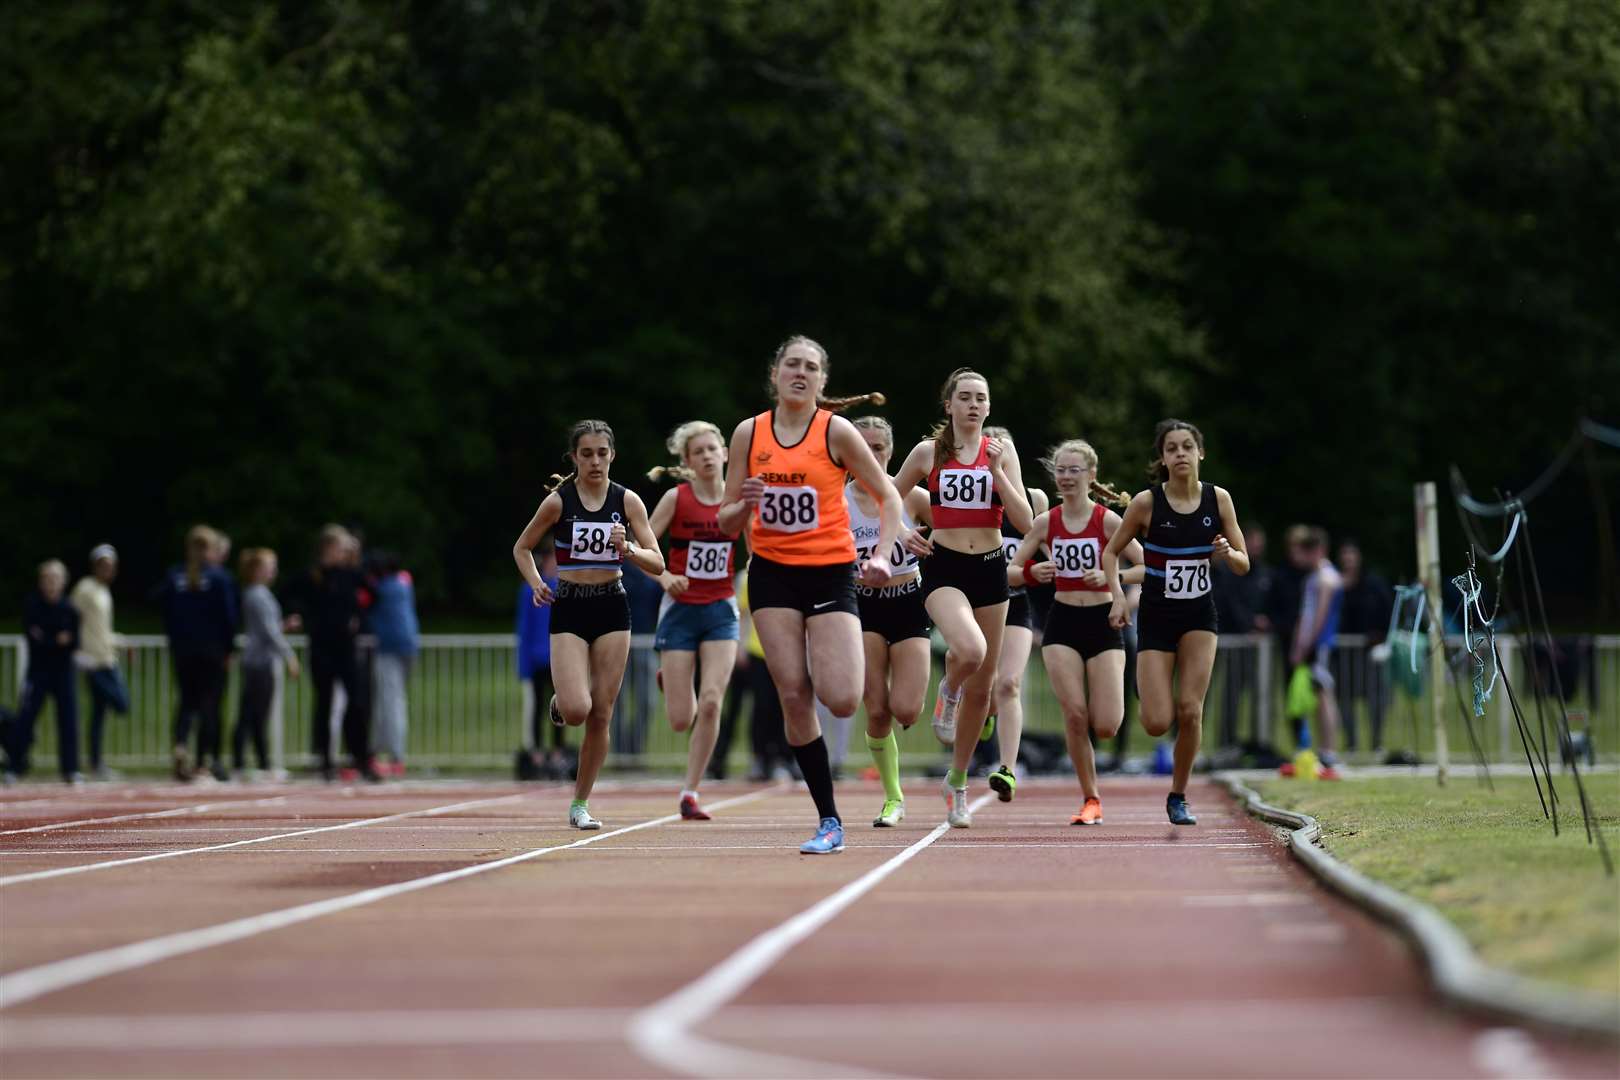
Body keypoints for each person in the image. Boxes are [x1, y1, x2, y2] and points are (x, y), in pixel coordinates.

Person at [717, 336, 898, 854]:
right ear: (775, 374)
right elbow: (728, 521)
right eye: (792, 364)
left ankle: (832, 661)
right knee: (792, 693)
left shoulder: (836, 431)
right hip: (771, 574)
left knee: (841, 699)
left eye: (811, 367)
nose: (800, 373)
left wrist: (882, 553)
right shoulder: (749, 433)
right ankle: (829, 819)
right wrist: (743, 503)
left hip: (830, 572)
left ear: (823, 381)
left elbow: (886, 495)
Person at [891, 368, 1033, 828]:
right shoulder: (928, 452)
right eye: (965, 397)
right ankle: (947, 688)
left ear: (989, 408)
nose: (973, 405)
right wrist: (904, 533)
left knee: (985, 688)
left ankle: (956, 782)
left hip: (991, 569)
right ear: (948, 405)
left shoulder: (1002, 452)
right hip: (945, 566)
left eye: (981, 398)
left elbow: (1026, 521)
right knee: (970, 651)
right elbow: (886, 498)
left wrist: (996, 472)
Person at [513, 419, 665, 830]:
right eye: (586, 454)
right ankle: (563, 700)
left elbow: (658, 562)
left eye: (602, 453)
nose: (595, 461)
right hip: (570, 607)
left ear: (612, 455)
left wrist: (628, 547)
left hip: (612, 606)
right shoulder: (559, 502)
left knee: (601, 713)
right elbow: (522, 547)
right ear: (574, 458)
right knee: (577, 709)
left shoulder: (628, 501)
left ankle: (580, 803)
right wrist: (536, 584)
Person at [1104, 419, 1249, 825]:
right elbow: (1111, 554)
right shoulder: (1147, 504)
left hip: (1200, 616)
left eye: (1188, 446)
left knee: (1191, 710)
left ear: (1200, 453)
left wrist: (1226, 552)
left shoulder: (1218, 500)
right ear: (1163, 458)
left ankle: (1179, 794)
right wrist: (1118, 598)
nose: (1181, 453)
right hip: (1156, 616)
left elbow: (1243, 563)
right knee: (1155, 722)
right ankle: (1147, 688)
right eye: (1172, 448)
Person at [1011, 442, 1143, 824]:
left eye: (1074, 470)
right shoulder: (1045, 522)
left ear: (1091, 476)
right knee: (1074, 714)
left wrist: (1112, 578)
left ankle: (1094, 788)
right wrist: (1032, 573)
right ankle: (1091, 798)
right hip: (1062, 623)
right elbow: (1010, 571)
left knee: (1105, 724)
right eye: (1061, 471)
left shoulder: (1107, 521)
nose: (1066, 477)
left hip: (1103, 623)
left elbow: (1148, 566)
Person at [646, 420, 743, 820]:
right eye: (697, 452)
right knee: (679, 718)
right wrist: (665, 577)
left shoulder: (737, 499)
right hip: (680, 610)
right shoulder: (676, 498)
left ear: (724, 453)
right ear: (687, 462)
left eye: (711, 449)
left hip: (721, 608)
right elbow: (643, 548)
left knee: (712, 702)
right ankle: (670, 680)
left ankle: (690, 790)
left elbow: (760, 546)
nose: (706, 456)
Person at [840, 415, 932, 827]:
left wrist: (929, 541)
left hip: (908, 601)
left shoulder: (911, 496)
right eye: (864, 447)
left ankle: (964, 696)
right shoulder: (836, 502)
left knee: (907, 710)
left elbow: (962, 532)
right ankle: (893, 797)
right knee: (877, 711)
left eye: (879, 447)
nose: (871, 454)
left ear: (891, 452)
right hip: (863, 608)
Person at [983, 425, 1048, 802]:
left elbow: (1051, 543)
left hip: (1018, 603)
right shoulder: (971, 497)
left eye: (1001, 447)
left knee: (1009, 684)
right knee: (985, 689)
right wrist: (1023, 570)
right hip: (980, 604)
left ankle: (1007, 768)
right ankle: (984, 715)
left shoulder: (1033, 499)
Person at [286, 525, 377, 782]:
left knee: (357, 702)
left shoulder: (350, 574)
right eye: (340, 547)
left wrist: (358, 617)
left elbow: (372, 594)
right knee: (324, 703)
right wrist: (298, 614)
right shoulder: (311, 576)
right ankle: (325, 760)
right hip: (322, 646)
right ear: (327, 548)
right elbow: (289, 595)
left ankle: (361, 758)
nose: (343, 552)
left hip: (346, 646)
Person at [157, 526, 239, 782]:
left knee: (186, 701)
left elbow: (163, 609)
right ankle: (204, 760)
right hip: (211, 650)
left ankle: (181, 744)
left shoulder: (175, 576)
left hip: (184, 650)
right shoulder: (219, 578)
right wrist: (229, 648)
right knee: (209, 705)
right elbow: (229, 617)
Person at [3, 560, 82, 783]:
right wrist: (56, 640)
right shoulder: (32, 605)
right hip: (38, 671)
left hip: (63, 672)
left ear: (63, 581)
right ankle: (15, 766)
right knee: (25, 718)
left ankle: (70, 769)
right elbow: (34, 638)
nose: (51, 583)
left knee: (68, 719)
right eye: (46, 578)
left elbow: (74, 641)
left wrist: (53, 640)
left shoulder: (70, 609)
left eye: (55, 578)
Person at [1284, 525, 1345, 777]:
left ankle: (1329, 751)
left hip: (1320, 645)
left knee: (1323, 696)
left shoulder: (1327, 578)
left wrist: (1307, 644)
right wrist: (1297, 645)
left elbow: (1319, 616)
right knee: (1318, 698)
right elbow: (1304, 616)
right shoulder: (1313, 578)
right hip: (1310, 643)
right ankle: (1321, 749)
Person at [235, 548, 300, 777]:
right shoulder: (258, 594)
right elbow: (269, 633)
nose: (274, 570)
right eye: (269, 566)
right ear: (257, 570)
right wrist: (289, 655)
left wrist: (283, 626)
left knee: (252, 712)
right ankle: (256, 763)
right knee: (255, 713)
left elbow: (268, 629)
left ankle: (250, 761)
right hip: (260, 661)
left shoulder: (256, 594)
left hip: (257, 659)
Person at [71, 544, 128, 781]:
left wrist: (120, 643)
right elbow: (72, 618)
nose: (107, 569)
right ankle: (95, 762)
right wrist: (77, 651)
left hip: (107, 658)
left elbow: (102, 630)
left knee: (100, 712)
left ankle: (96, 762)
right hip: (92, 661)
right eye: (103, 564)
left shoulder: (105, 592)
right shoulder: (85, 589)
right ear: (95, 566)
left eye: (111, 565)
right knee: (119, 703)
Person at [1212, 526, 1273, 746]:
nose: (1258, 545)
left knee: (1243, 692)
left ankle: (1242, 741)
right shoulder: (1229, 571)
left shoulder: (1265, 573)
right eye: (1253, 540)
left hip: (1249, 643)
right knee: (1206, 692)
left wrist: (1263, 623)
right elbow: (1230, 601)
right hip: (1223, 637)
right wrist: (1248, 623)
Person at [1336, 539, 1395, 754]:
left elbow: (1388, 612)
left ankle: (1376, 742)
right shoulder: (1334, 584)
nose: (1349, 558)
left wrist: (1382, 636)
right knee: (1344, 699)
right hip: (1342, 653)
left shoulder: (1374, 584)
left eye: (1352, 553)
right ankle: (1351, 743)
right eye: (1345, 554)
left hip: (1371, 653)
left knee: (1376, 699)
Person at [516, 546, 568, 779]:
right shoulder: (530, 591)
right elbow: (524, 629)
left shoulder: (564, 588)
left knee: (560, 707)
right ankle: (537, 750)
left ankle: (557, 750)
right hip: (538, 657)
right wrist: (523, 664)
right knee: (537, 708)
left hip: (560, 657)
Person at [368, 550, 419, 777]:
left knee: (391, 703)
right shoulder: (404, 583)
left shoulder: (383, 589)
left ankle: (396, 755)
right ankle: (380, 750)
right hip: (409, 645)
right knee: (392, 701)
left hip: (389, 648)